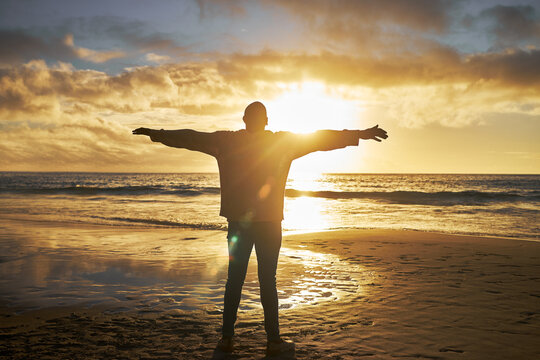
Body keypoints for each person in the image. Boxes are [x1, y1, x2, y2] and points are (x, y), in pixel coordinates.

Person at [133, 101, 388, 356]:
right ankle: (272, 340)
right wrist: (358, 134)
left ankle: (227, 339)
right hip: (268, 224)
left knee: (236, 279)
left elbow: (190, 138)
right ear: (266, 121)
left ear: (245, 120)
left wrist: (157, 133)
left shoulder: (227, 142)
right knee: (267, 281)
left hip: (240, 225)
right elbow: (320, 139)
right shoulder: (280, 143)